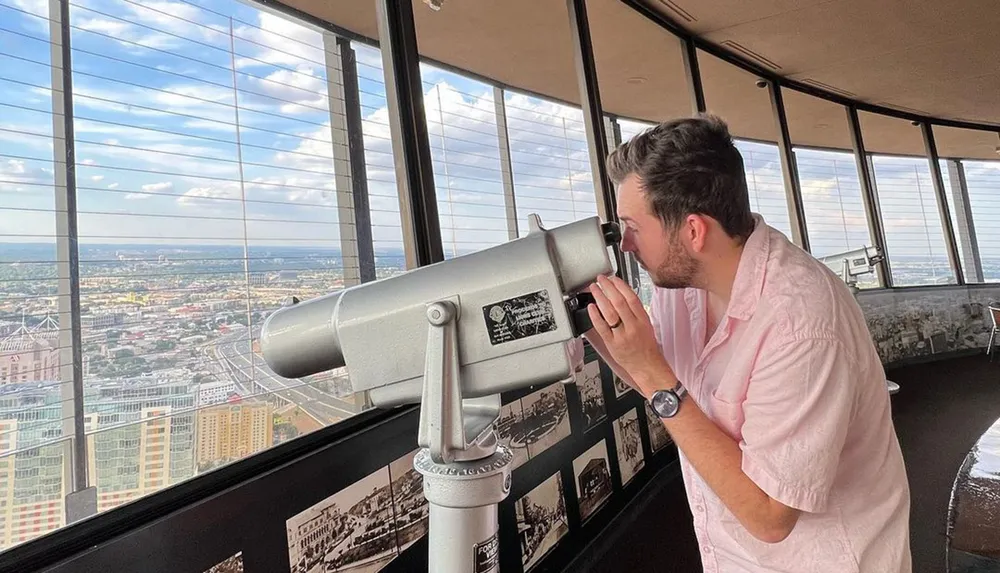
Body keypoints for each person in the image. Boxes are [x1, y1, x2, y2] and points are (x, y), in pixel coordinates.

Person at [582, 115, 911, 572]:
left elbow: (771, 515)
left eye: (632, 227)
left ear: (693, 231)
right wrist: (583, 319)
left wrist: (656, 374)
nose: (626, 245)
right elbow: (661, 388)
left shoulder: (801, 321)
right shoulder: (682, 289)